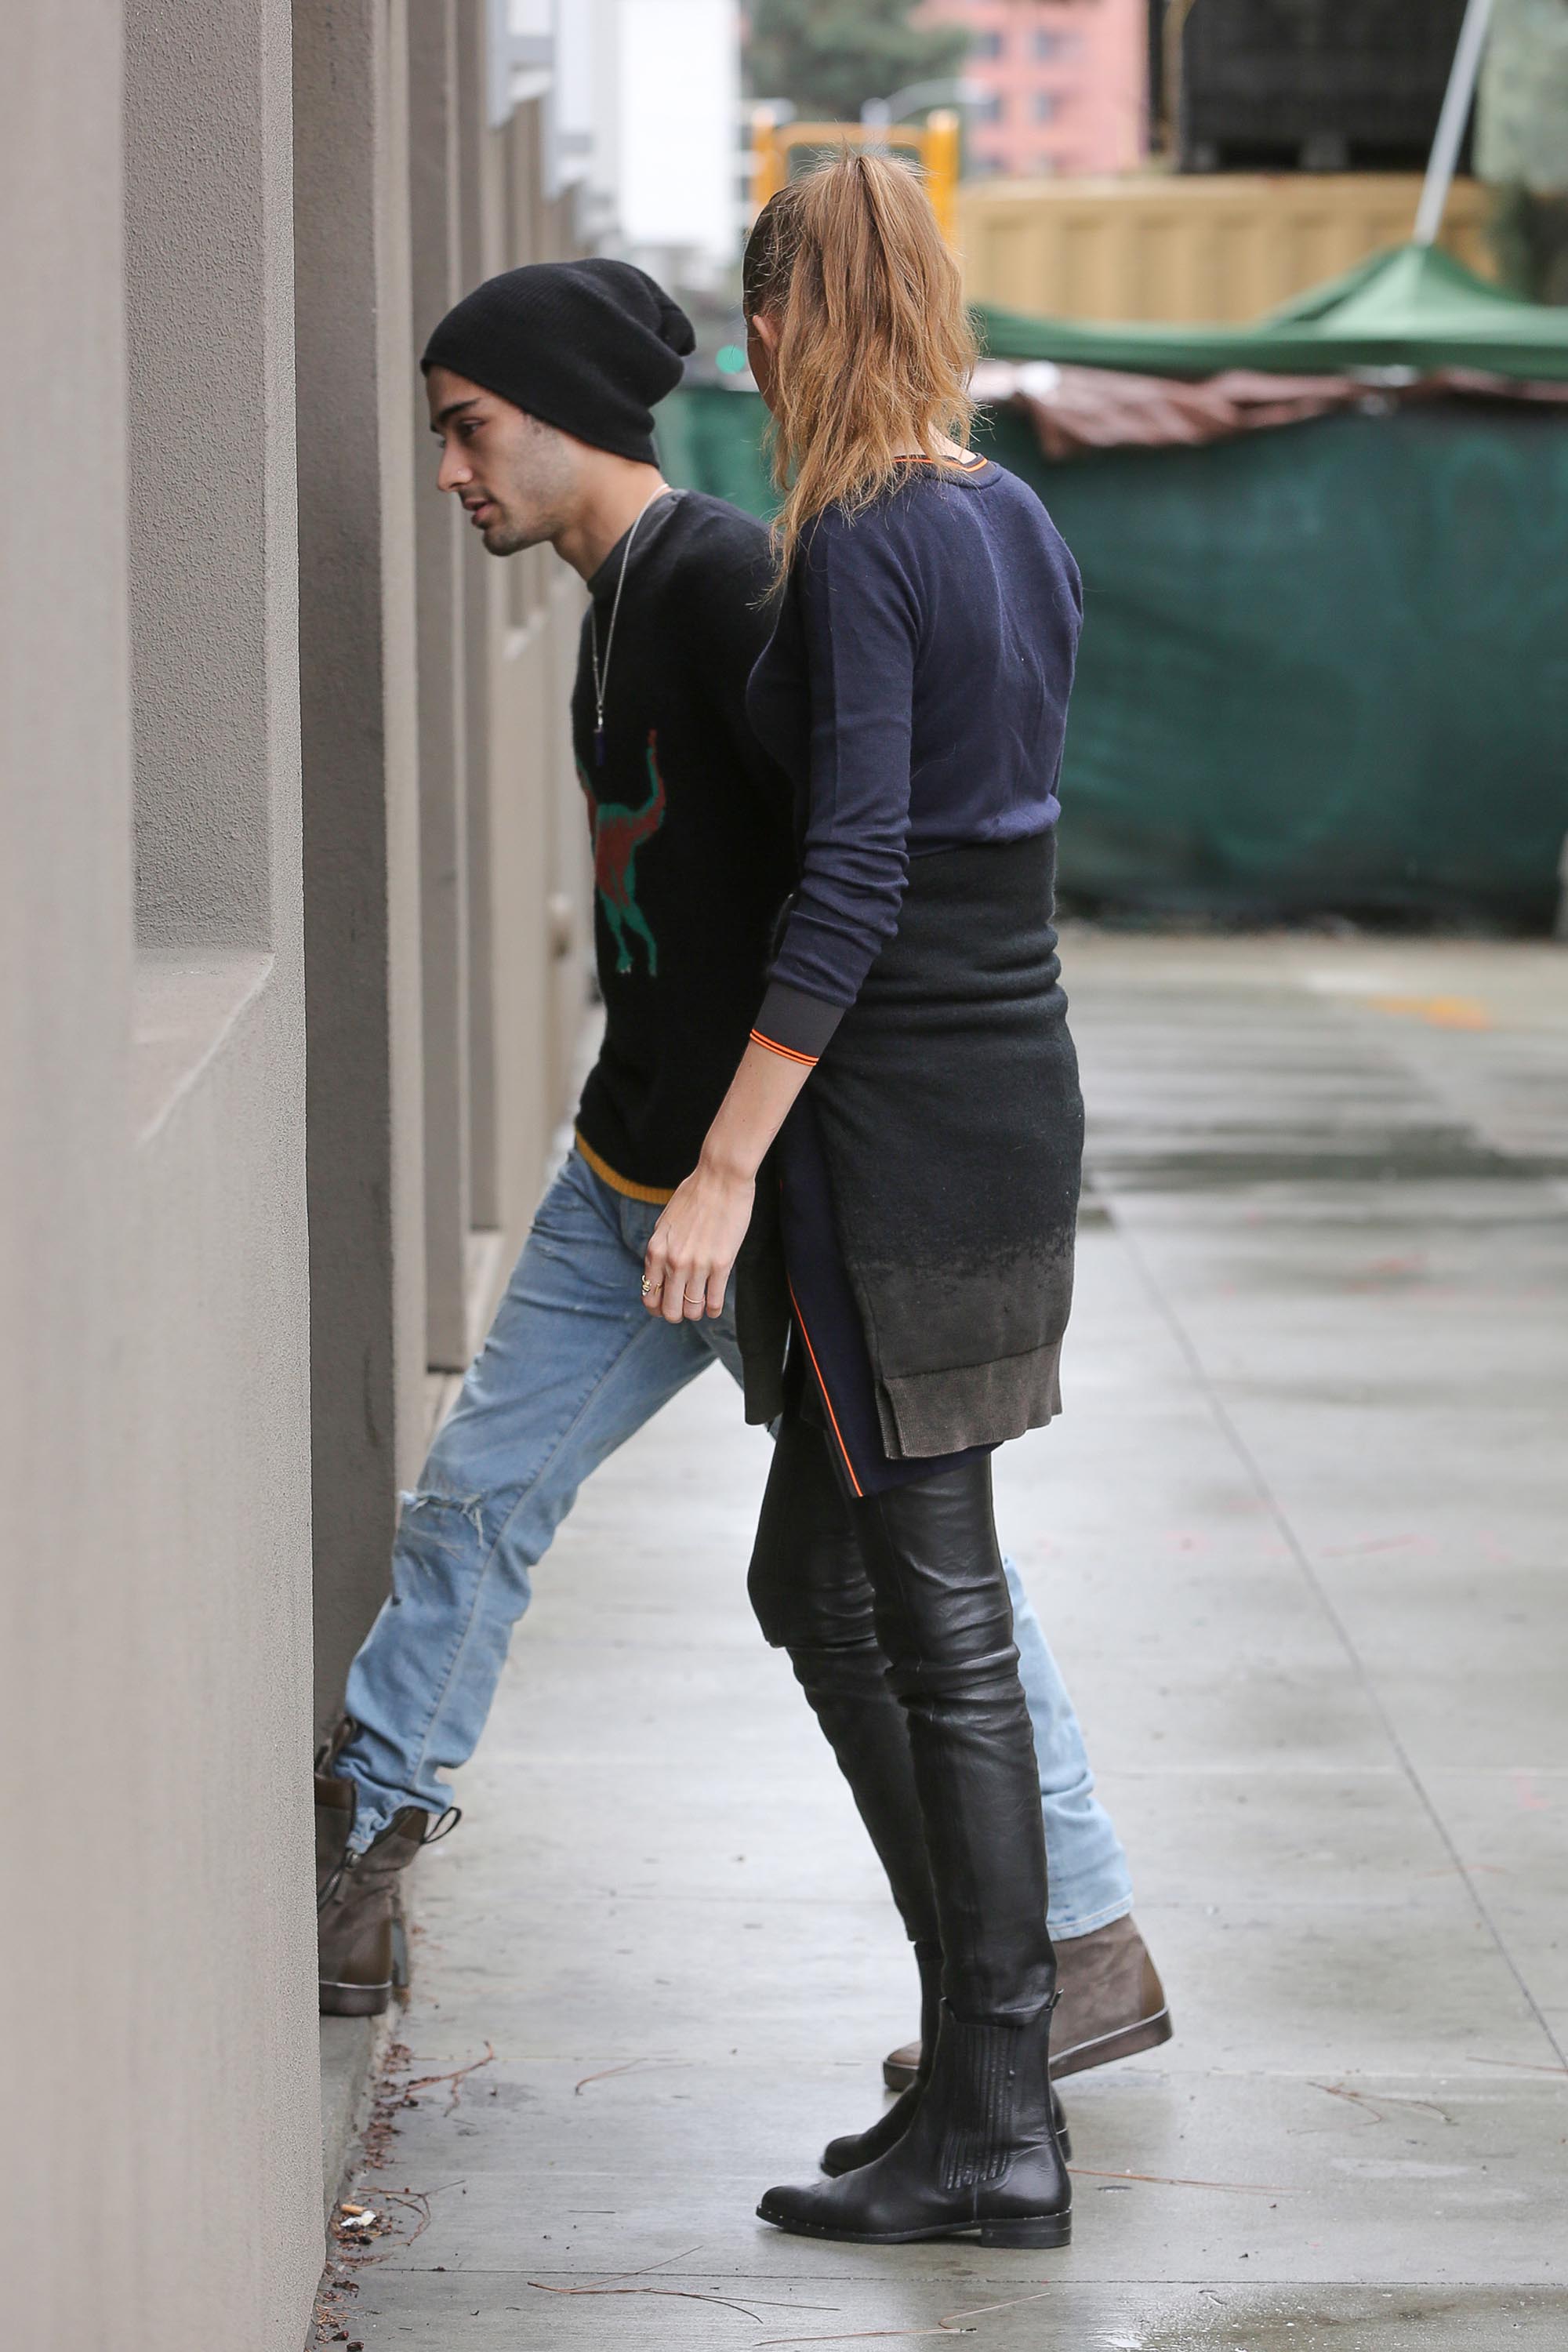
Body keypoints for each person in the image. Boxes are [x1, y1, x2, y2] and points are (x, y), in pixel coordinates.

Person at [314, 255, 1169, 2122]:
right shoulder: (611, 599)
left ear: (568, 418)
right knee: (479, 1500)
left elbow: (853, 876)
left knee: (911, 1569)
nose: (450, 471)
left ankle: (1076, 1947)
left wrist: (758, 1162)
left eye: (469, 432)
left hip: (754, 1194)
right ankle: (367, 1850)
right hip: (624, 1169)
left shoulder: (725, 583)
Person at [639, 152, 1102, 2246]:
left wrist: (724, 1163)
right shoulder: (1012, 519)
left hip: (895, 1128)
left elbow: (860, 875)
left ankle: (1003, 2124)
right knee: (822, 1584)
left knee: (939, 1612)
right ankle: (974, 2087)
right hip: (1008, 1101)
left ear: (774, 334)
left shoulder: (860, 545)